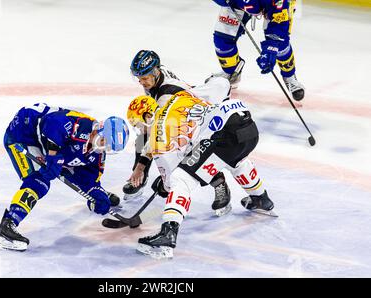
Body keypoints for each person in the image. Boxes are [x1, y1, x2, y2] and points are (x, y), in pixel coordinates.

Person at [126, 90, 274, 259]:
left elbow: (170, 183)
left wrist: (164, 185)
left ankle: (168, 234)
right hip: (245, 123)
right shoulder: (178, 97)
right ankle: (261, 198)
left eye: (138, 125)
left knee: (180, 180)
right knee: (236, 160)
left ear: (147, 116)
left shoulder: (158, 136)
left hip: (224, 135)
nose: (140, 131)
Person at [0, 103, 129, 251]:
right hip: (23, 134)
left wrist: (95, 193)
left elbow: (89, 177)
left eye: (108, 148)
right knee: (39, 181)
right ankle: (7, 227)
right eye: (103, 142)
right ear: (98, 130)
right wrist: (53, 156)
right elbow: (52, 123)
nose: (101, 148)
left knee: (67, 170)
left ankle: (98, 192)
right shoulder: (81, 125)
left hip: (46, 147)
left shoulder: (97, 152)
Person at [124, 50, 233, 216]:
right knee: (144, 134)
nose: (142, 83)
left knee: (191, 153)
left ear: (155, 72)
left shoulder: (165, 95)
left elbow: (156, 136)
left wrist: (163, 178)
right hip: (182, 110)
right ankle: (141, 176)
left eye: (144, 78)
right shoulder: (156, 78)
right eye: (139, 79)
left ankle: (220, 184)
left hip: (197, 119)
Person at [212, 0, 305, 101]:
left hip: (276, 7)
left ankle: (290, 76)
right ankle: (232, 72)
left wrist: (271, 47)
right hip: (237, 3)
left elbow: (278, 27)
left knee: (281, 45)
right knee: (222, 40)